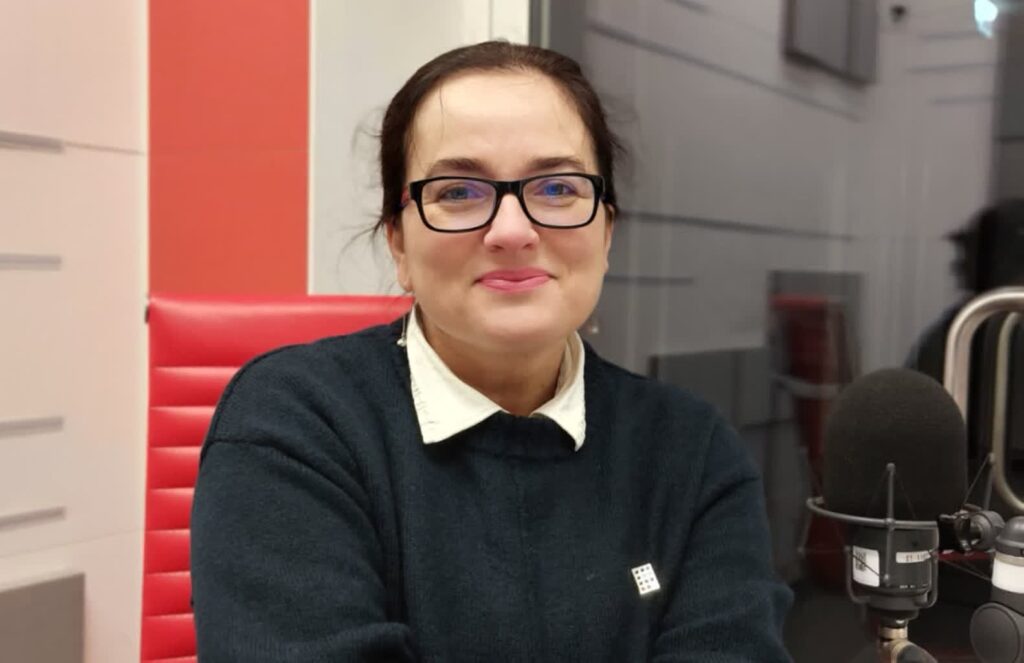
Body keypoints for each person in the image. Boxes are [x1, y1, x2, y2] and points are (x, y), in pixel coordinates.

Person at [190, 41, 792, 662]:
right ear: (398, 243)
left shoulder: (691, 451)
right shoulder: (296, 424)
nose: (512, 231)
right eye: (458, 192)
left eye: (557, 187)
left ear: (606, 233)